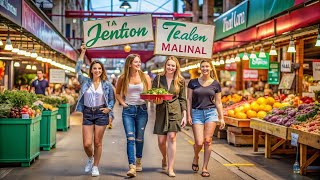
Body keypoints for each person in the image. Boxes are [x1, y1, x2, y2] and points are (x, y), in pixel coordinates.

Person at [75, 44, 115, 177]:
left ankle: (96, 166)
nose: (97, 70)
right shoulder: (85, 81)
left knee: (97, 142)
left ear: (102, 70)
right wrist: (83, 52)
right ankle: (90, 158)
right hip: (87, 112)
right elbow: (77, 69)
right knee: (87, 144)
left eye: (99, 68)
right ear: (91, 70)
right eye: (94, 68)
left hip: (100, 113)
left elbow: (111, 99)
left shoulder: (106, 84)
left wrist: (109, 109)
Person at [187, 60, 225, 178]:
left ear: (211, 68)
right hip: (196, 113)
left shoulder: (216, 84)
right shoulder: (192, 83)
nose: (205, 69)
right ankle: (196, 156)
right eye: (202, 67)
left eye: (207, 67)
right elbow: (189, 99)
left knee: (208, 141)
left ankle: (205, 167)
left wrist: (221, 118)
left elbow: (218, 102)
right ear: (200, 68)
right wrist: (188, 115)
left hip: (211, 113)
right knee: (199, 142)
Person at [115, 54, 151, 177]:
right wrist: (123, 103)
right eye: (135, 62)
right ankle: (132, 166)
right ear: (129, 64)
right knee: (130, 138)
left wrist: (152, 99)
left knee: (139, 138)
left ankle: (139, 160)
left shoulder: (145, 77)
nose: (138, 64)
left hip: (142, 110)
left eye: (139, 62)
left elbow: (149, 94)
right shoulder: (123, 77)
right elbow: (117, 93)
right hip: (128, 111)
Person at [152, 56, 187, 177]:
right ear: (165, 66)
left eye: (173, 65)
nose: (170, 67)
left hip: (175, 110)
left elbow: (183, 99)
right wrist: (155, 100)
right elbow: (153, 95)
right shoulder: (157, 79)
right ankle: (164, 158)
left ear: (176, 67)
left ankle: (170, 168)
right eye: (168, 65)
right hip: (161, 110)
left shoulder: (180, 81)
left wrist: (185, 115)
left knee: (172, 137)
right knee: (161, 141)